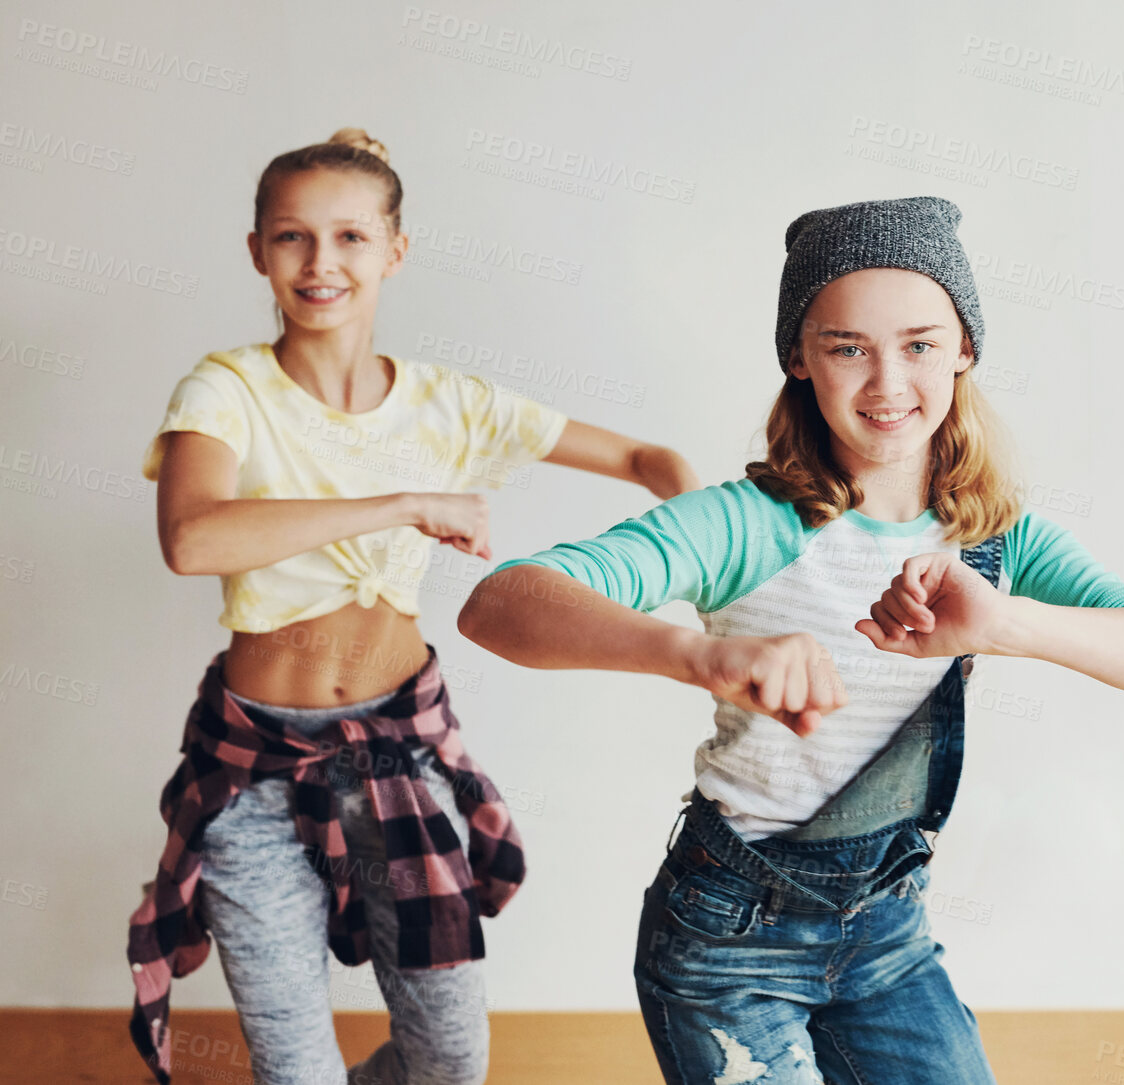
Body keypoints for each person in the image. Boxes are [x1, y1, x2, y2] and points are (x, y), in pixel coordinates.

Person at [459, 196, 1124, 1084]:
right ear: (799, 358)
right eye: (848, 346)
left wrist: (1005, 622)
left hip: (889, 930)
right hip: (728, 936)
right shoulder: (750, 525)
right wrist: (702, 655)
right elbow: (500, 604)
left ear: (965, 349)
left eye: (921, 344)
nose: (888, 382)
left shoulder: (995, 541)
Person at [126, 127, 698, 1085]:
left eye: (351, 237)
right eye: (292, 238)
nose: (321, 263)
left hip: (400, 749)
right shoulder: (226, 390)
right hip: (253, 767)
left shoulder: (449, 405)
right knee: (294, 1068)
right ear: (257, 250)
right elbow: (191, 538)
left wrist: (707, 538)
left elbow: (648, 461)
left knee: (449, 1062)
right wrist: (404, 502)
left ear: (396, 248)